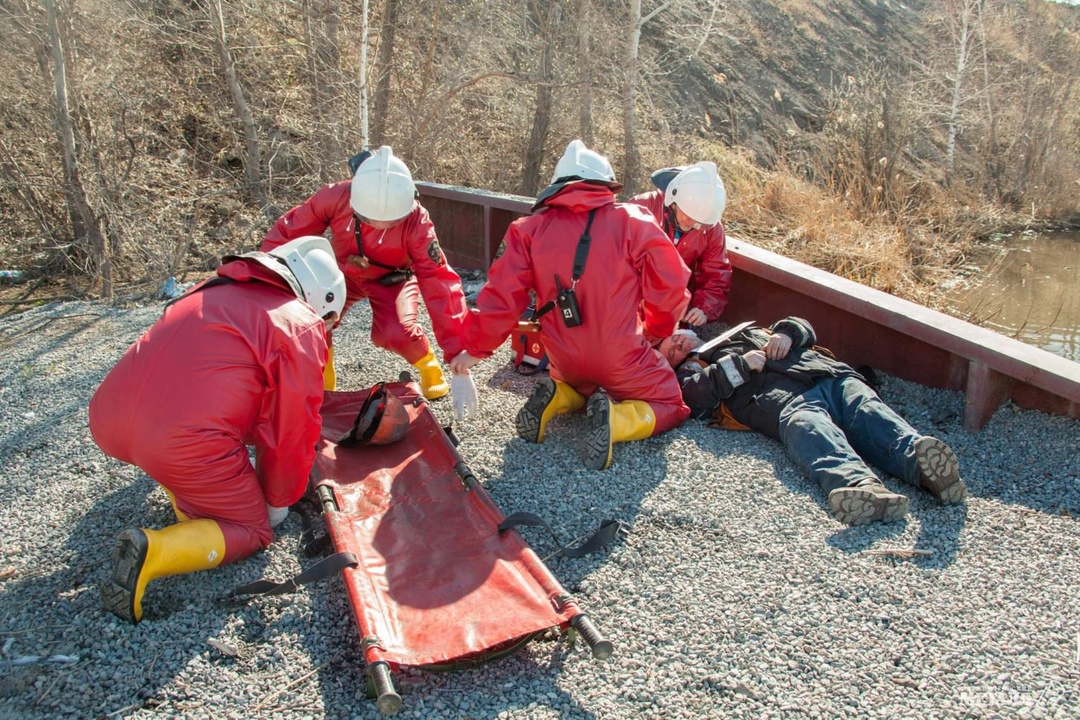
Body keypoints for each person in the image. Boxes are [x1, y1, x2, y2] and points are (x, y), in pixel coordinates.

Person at [89, 236, 346, 623]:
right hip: (176, 443)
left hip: (109, 419)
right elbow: (290, 428)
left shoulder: (209, 290)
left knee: (188, 455)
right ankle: (155, 550)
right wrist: (277, 503)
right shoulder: (297, 322)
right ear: (320, 302)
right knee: (250, 528)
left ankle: (186, 491)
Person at [449, 139, 692, 470]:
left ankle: (560, 397)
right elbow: (672, 283)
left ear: (557, 185)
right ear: (605, 183)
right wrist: (656, 331)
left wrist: (476, 349)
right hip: (621, 354)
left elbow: (502, 297)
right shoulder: (634, 220)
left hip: (562, 356)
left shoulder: (527, 229)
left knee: (581, 387)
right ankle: (618, 421)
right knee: (670, 402)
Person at [660, 318, 968, 524]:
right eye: (671, 353)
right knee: (808, 429)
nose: (677, 346)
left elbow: (803, 326)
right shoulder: (694, 369)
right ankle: (864, 490)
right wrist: (739, 365)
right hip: (787, 403)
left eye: (676, 339)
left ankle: (925, 469)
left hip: (827, 376)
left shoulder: (746, 329)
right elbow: (693, 400)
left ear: (686, 331)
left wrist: (786, 333)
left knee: (867, 411)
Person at [261, 145, 468, 398]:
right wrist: (264, 277)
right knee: (312, 321)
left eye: (391, 222)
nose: (380, 225)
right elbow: (287, 234)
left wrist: (458, 351)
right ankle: (323, 388)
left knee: (396, 332)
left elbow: (440, 282)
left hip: (393, 278)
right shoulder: (334, 197)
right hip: (340, 275)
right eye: (369, 219)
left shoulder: (417, 222)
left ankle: (429, 366)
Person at [629, 161, 732, 326]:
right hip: (631, 303)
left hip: (673, 310)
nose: (692, 224)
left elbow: (716, 274)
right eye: (689, 216)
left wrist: (705, 308)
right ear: (674, 199)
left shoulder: (711, 228)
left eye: (699, 222)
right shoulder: (641, 208)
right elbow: (614, 262)